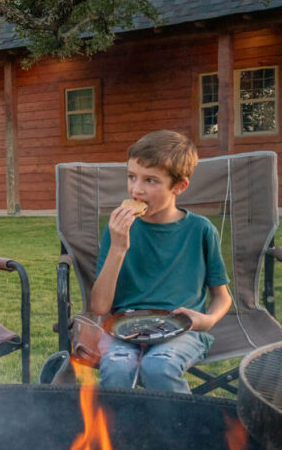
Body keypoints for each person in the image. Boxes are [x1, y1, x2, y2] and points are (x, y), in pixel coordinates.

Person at [90, 129, 232, 393]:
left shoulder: (200, 230)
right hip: (122, 327)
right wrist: (118, 247)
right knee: (118, 368)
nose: (136, 189)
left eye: (151, 181)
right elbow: (100, 306)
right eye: (131, 177)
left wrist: (208, 320)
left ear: (179, 186)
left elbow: (222, 297)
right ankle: (118, 432)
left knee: (159, 367)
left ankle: (179, 432)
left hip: (182, 329)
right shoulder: (118, 228)